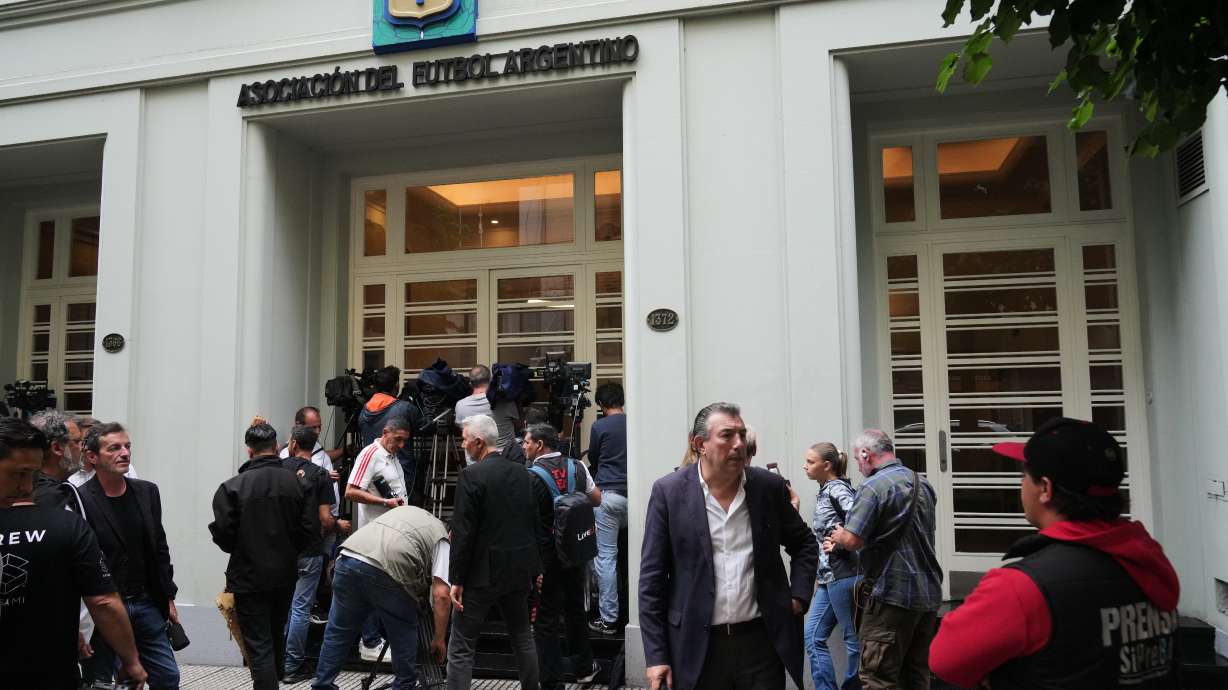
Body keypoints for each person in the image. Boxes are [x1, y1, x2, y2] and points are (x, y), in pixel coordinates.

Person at [930, 418, 1180, 689]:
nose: (1021, 484)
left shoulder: (1022, 586)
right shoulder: (1150, 563)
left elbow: (944, 661)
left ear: (1045, 489)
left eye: (1024, 475)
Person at [639, 402, 819, 690]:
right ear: (700, 444)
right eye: (727, 435)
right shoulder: (669, 492)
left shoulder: (768, 488)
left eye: (742, 434)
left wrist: (798, 596)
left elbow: (805, 544)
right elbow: (651, 580)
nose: (739, 444)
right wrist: (656, 656)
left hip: (761, 645)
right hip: (697, 647)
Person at [0, 417, 149, 690]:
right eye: (17, 474)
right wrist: (131, 660)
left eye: (32, 475)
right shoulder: (66, 523)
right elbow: (103, 601)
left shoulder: (67, 517)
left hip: (49, 670)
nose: (26, 486)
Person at [827, 429, 941, 690]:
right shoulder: (922, 482)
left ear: (866, 454)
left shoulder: (873, 486)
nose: (858, 465)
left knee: (879, 678)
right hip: (927, 594)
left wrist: (839, 535)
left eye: (857, 459)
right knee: (916, 676)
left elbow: (854, 539)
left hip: (891, 594)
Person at [209, 422, 315, 690]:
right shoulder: (299, 483)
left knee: (258, 643)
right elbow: (310, 530)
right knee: (276, 631)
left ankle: (268, 684)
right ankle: (274, 680)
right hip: (286, 572)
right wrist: (290, 550)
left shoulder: (231, 488)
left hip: (248, 574)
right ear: (276, 447)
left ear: (249, 451)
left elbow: (223, 534)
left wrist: (244, 547)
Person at [76, 422, 180, 689]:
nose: (124, 453)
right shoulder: (80, 500)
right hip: (106, 608)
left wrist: (168, 596)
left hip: (146, 602)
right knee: (107, 681)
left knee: (168, 677)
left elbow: (159, 547)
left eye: (127, 446)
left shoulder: (147, 492)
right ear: (92, 457)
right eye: (114, 448)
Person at [446, 414, 542, 690]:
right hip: (518, 570)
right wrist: (536, 569)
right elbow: (534, 523)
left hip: (481, 574)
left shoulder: (471, 475)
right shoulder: (524, 473)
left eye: (465, 440)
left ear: (478, 442)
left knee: (462, 645)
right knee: (523, 637)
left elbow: (463, 533)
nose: (463, 445)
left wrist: (457, 580)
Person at [312, 505, 453, 690]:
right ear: (452, 536)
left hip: (348, 558)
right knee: (403, 631)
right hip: (387, 570)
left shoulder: (409, 512)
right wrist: (439, 639)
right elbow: (441, 595)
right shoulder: (442, 538)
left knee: (338, 632)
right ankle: (403, 686)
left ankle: (322, 685)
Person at [524, 422, 603, 687]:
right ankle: (583, 669)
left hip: (547, 557)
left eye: (526, 442)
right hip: (576, 549)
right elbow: (597, 499)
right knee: (574, 609)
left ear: (539, 445)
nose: (523, 446)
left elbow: (526, 523)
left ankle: (552, 683)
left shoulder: (530, 476)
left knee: (546, 620)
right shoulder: (577, 467)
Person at [281, 423, 348, 683]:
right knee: (300, 608)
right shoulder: (320, 475)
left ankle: (277, 662)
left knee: (283, 606)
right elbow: (325, 518)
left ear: (294, 445)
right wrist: (338, 525)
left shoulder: (279, 469)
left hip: (283, 549)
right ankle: (293, 666)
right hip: (309, 549)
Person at [347, 415, 412, 660]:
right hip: (373, 535)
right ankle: (369, 642)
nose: (401, 445)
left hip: (391, 533)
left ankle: (377, 639)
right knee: (373, 590)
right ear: (385, 432)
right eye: (398, 440)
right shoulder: (370, 454)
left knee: (386, 588)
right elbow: (350, 491)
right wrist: (385, 501)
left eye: (405, 441)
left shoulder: (392, 456)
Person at [803, 442, 860, 690]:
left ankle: (854, 686)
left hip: (844, 575)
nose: (806, 466)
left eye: (810, 462)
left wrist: (839, 545)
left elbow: (860, 521)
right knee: (813, 637)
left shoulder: (838, 490)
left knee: (853, 639)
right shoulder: (826, 490)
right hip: (828, 578)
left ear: (826, 466)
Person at [587, 382, 627, 636]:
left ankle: (609, 619)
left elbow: (593, 458)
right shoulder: (636, 423)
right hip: (637, 495)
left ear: (601, 405)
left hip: (608, 498)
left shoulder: (600, 426)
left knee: (606, 558)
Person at [358, 366, 421, 501]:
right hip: (400, 473)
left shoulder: (364, 411)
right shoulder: (404, 408)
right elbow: (424, 428)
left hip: (373, 474)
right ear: (396, 385)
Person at [454, 364, 522, 462]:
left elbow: (463, 430)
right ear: (490, 381)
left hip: (475, 466)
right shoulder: (504, 401)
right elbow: (519, 425)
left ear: (470, 383)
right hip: (505, 462)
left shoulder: (460, 405)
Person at [29, 409, 86, 513]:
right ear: (57, 448)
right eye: (77, 442)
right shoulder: (48, 496)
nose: (83, 448)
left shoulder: (31, 485)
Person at [70, 415, 139, 487]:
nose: (125, 453)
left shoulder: (123, 468)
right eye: (88, 439)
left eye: (127, 446)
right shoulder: (69, 474)